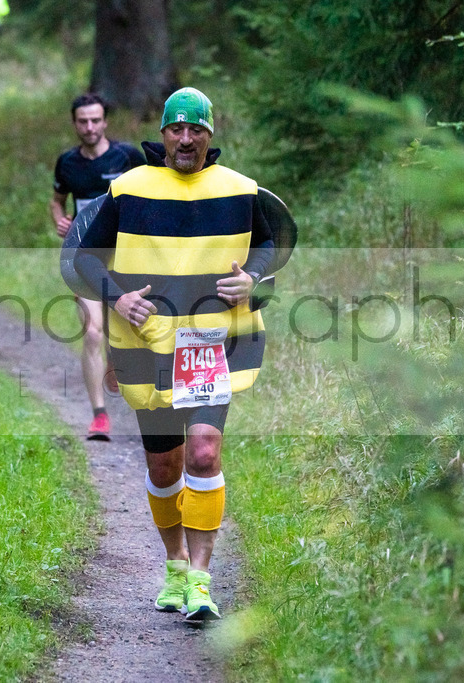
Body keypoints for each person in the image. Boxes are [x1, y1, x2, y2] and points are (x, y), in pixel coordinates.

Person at [74, 88, 296, 621]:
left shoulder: (241, 190)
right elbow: (84, 258)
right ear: (164, 133)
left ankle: (200, 580)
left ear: (210, 135)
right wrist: (117, 296)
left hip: (212, 345)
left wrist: (254, 277)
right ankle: (174, 564)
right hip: (146, 345)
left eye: (196, 129)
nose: (185, 139)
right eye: (176, 128)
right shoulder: (128, 189)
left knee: (202, 452)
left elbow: (271, 246)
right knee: (165, 463)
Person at [51, 93, 145, 441]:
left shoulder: (129, 157)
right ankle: (99, 415)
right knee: (92, 332)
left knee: (129, 331)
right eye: (82, 121)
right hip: (84, 257)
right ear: (75, 124)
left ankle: (124, 374)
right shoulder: (67, 163)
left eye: (95, 120)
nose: (89, 127)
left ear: (105, 122)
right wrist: (61, 221)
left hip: (127, 257)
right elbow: (57, 202)